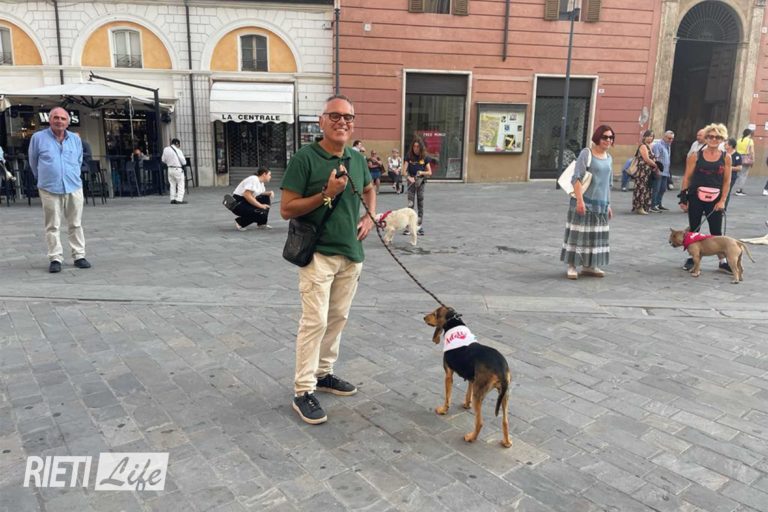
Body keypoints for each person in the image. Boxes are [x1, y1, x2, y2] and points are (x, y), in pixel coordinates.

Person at [280, 94, 375, 425]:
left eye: (348, 117)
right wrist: (326, 194)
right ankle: (303, 390)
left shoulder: (356, 158)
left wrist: (369, 217)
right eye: (334, 116)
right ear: (321, 121)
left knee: (337, 318)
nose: (342, 122)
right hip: (318, 254)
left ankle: (323, 374)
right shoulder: (304, 159)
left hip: (351, 254)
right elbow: (286, 209)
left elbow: (369, 188)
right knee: (315, 322)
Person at [28, 107, 90, 273]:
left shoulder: (75, 139)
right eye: (56, 117)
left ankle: (79, 255)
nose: (59, 121)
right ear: (50, 120)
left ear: (68, 122)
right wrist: (44, 177)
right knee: (52, 225)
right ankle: (55, 258)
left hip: (73, 186)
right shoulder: (38, 138)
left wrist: (72, 173)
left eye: (63, 118)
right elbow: (33, 161)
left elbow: (79, 160)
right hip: (49, 187)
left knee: (75, 223)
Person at [560, 125, 614, 280]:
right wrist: (579, 201)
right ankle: (572, 266)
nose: (608, 140)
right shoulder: (586, 153)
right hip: (585, 201)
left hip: (600, 204)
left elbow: (608, 184)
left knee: (595, 237)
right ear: (597, 138)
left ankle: (589, 266)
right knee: (578, 235)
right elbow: (576, 178)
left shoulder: (609, 158)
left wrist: (608, 205)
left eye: (611, 137)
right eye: (605, 137)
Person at [678, 123, 732, 273]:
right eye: (710, 136)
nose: (714, 139)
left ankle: (722, 261)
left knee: (716, 231)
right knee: (694, 228)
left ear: (722, 139)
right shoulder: (695, 155)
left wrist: (722, 200)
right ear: (706, 138)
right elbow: (687, 177)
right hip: (695, 196)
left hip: (715, 199)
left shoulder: (726, 157)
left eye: (718, 137)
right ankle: (692, 258)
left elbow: (726, 181)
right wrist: (683, 198)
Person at [402, 139, 431, 236]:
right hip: (411, 183)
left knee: (420, 205)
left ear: (421, 147)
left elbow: (429, 172)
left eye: (418, 146)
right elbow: (403, 171)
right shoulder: (409, 156)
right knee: (410, 205)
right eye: (414, 146)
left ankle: (419, 226)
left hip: (420, 183)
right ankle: (408, 227)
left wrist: (421, 172)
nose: (415, 148)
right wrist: (408, 177)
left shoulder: (425, 157)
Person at [631, 130, 657, 215]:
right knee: (641, 188)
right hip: (642, 171)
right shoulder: (643, 146)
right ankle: (639, 207)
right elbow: (646, 159)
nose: (650, 138)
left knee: (647, 189)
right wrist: (656, 165)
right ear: (644, 137)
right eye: (649, 136)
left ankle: (645, 206)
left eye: (652, 136)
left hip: (648, 171)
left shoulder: (650, 146)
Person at [650, 130, 674, 211]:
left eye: (672, 138)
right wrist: (657, 170)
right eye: (669, 138)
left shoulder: (668, 146)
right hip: (659, 171)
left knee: (663, 189)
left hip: (666, 171)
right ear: (664, 137)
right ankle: (653, 205)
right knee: (656, 189)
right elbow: (656, 158)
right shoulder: (658, 145)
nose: (671, 140)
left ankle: (658, 204)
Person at [161, 138, 187, 204]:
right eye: (179, 145)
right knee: (181, 184)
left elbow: (163, 160)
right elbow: (183, 161)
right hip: (177, 168)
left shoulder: (165, 149)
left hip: (169, 169)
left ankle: (172, 199)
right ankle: (179, 199)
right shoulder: (178, 150)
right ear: (177, 144)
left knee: (172, 184)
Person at [733, 129, 754, 196]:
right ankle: (739, 190)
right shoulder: (750, 141)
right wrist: (753, 160)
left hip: (738, 158)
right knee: (743, 175)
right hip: (745, 159)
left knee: (737, 174)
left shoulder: (739, 140)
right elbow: (752, 152)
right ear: (749, 134)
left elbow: (735, 149)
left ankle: (732, 187)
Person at [723, 138, 742, 211]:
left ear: (730, 146)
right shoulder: (723, 154)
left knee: (727, 192)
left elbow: (739, 168)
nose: (724, 145)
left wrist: (728, 168)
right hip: (720, 176)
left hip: (731, 177)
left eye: (726, 144)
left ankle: (723, 208)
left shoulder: (737, 155)